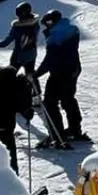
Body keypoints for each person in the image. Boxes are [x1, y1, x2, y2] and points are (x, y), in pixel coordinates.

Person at [35, 8, 87, 146]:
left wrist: (36, 74)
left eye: (48, 23)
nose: (46, 26)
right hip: (74, 69)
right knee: (68, 98)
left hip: (60, 72)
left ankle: (57, 136)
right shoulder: (71, 29)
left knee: (50, 104)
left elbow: (50, 60)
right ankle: (76, 130)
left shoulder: (56, 36)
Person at [0, 2, 41, 74]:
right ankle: (34, 85)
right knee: (30, 75)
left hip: (18, 56)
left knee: (10, 76)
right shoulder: (36, 24)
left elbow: (5, 43)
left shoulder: (17, 27)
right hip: (31, 54)